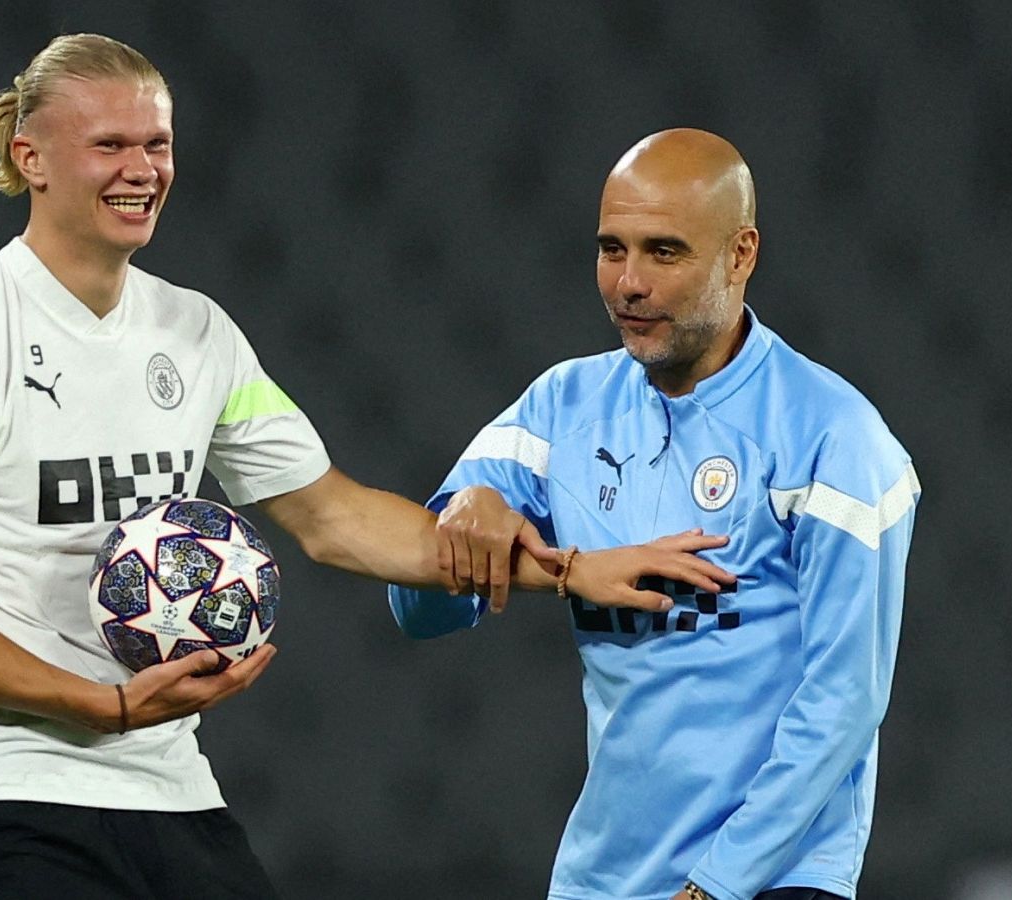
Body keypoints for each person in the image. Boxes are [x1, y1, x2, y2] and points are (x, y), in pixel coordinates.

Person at [0, 35, 726, 899]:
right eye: (109, 145)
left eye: (156, 143)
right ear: (30, 156)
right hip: (7, 798)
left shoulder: (195, 334)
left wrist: (572, 569)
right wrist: (103, 706)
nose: (142, 169)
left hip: (169, 790)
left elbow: (335, 517)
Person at [389, 129, 921, 900]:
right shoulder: (558, 410)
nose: (627, 284)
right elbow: (417, 613)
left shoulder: (837, 441)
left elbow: (845, 700)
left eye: (663, 253)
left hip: (774, 879)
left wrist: (716, 886)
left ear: (741, 254)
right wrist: (463, 518)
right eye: (612, 249)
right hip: (602, 880)